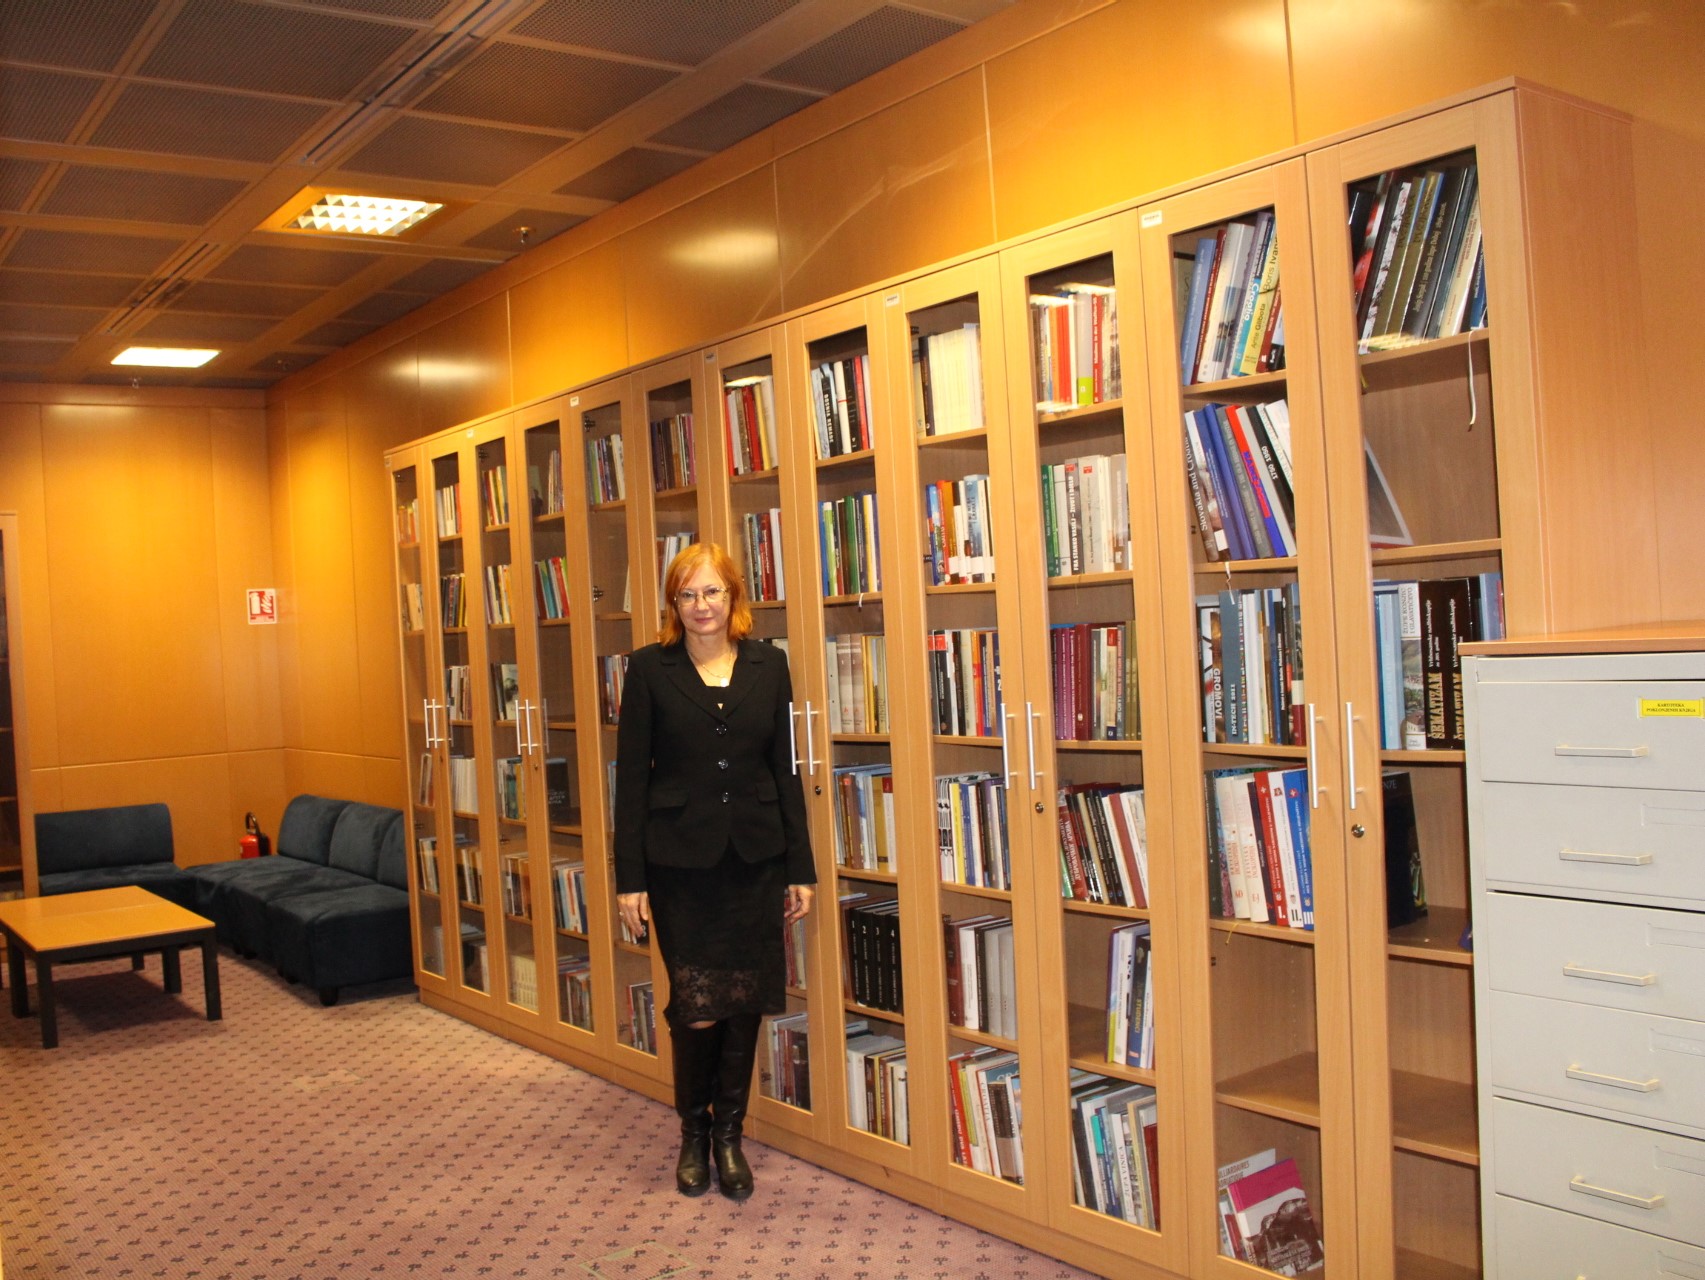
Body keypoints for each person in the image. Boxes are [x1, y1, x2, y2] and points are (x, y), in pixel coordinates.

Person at [613, 543, 816, 1201]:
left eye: (712, 593)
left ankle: (729, 1135)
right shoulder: (648, 670)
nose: (701, 606)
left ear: (733, 599)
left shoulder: (769, 665)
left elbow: (784, 769)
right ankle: (692, 1135)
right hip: (680, 867)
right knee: (697, 1007)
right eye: (687, 595)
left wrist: (800, 867)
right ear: (674, 605)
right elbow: (631, 785)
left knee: (744, 1001)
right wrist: (629, 879)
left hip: (754, 862)